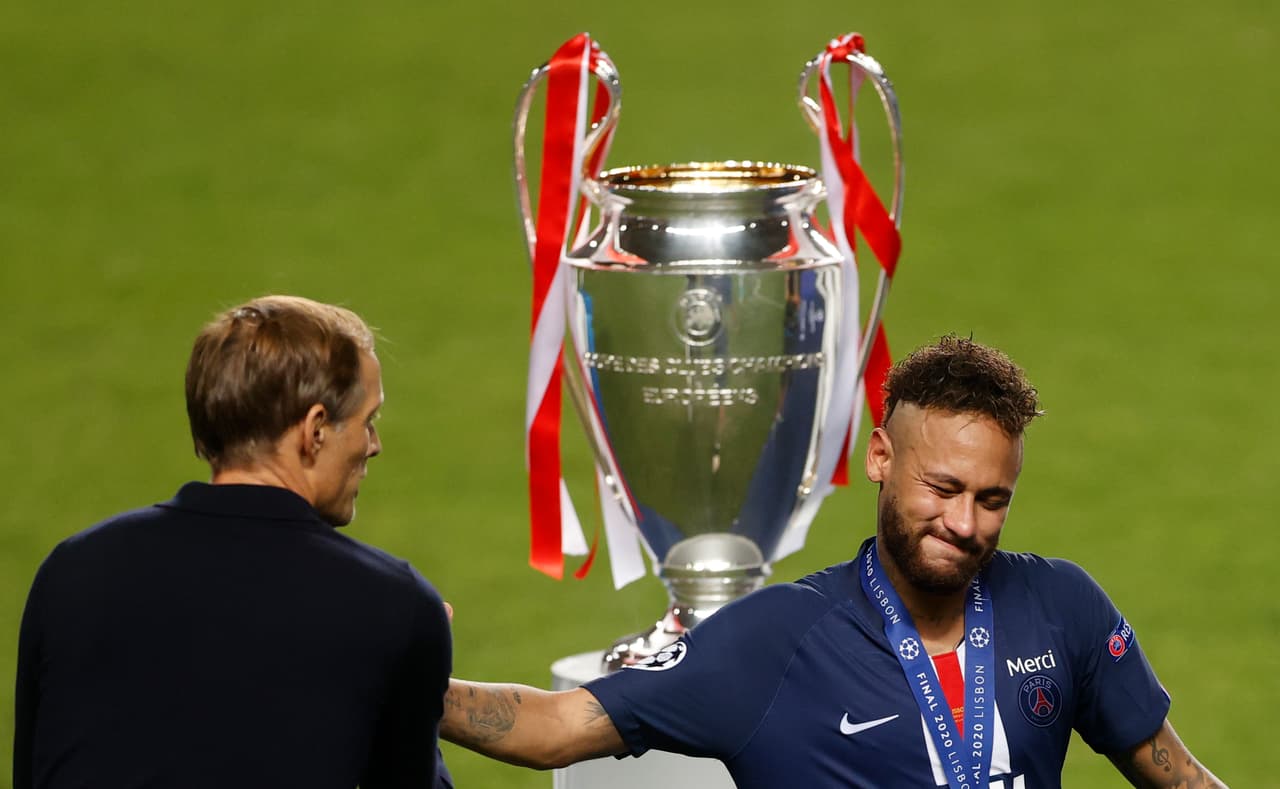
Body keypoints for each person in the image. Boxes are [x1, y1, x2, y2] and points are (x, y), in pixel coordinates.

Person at [441, 336, 1226, 788]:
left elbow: (1180, 776)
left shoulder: (1060, 607)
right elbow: (553, 728)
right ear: (880, 456)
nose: (963, 523)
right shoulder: (773, 642)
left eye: (993, 499)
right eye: (943, 487)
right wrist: (395, 667)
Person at [14, 295, 453, 789]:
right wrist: (415, 681)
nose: (374, 444)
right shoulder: (393, 606)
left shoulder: (71, 572)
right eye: (366, 421)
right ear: (314, 431)